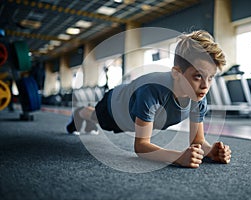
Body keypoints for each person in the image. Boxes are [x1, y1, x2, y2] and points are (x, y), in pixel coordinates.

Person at [66, 30, 231, 168]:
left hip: (136, 111)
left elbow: (197, 141)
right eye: (198, 77)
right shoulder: (152, 91)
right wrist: (178, 157)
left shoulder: (198, 97)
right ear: (176, 73)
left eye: (210, 78)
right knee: (96, 118)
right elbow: (141, 147)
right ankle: (81, 113)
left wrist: (210, 151)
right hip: (114, 107)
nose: (205, 86)